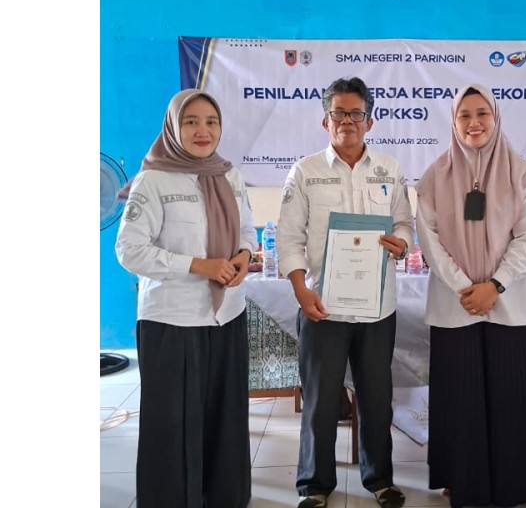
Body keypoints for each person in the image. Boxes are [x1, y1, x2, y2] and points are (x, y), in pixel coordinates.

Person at [115, 89, 258, 508]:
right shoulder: (153, 180)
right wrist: (199, 266)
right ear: (174, 128)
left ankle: (225, 496)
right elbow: (130, 251)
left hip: (227, 314)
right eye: (191, 121)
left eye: (211, 122)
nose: (202, 130)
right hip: (172, 320)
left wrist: (244, 255)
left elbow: (247, 230)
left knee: (224, 416)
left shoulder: (228, 175)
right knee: (174, 422)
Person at [275, 76, 413, 508]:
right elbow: (288, 237)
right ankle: (315, 485)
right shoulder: (305, 171)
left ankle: (380, 480)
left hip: (377, 308)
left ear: (369, 121)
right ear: (326, 121)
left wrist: (402, 243)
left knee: (376, 398)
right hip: (323, 307)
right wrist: (301, 291)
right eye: (339, 113)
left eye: (356, 113)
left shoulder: (389, 169)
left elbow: (404, 223)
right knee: (320, 400)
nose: (347, 121)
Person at [415, 84, 526, 508]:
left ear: (496, 117)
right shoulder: (435, 176)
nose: (473, 123)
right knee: (461, 395)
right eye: (464, 115)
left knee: (513, 393)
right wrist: (464, 287)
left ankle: (516, 482)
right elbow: (429, 238)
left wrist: (495, 286)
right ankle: (463, 478)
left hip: (509, 304)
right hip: (455, 304)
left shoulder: (522, 174)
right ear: (453, 122)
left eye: (482, 114)